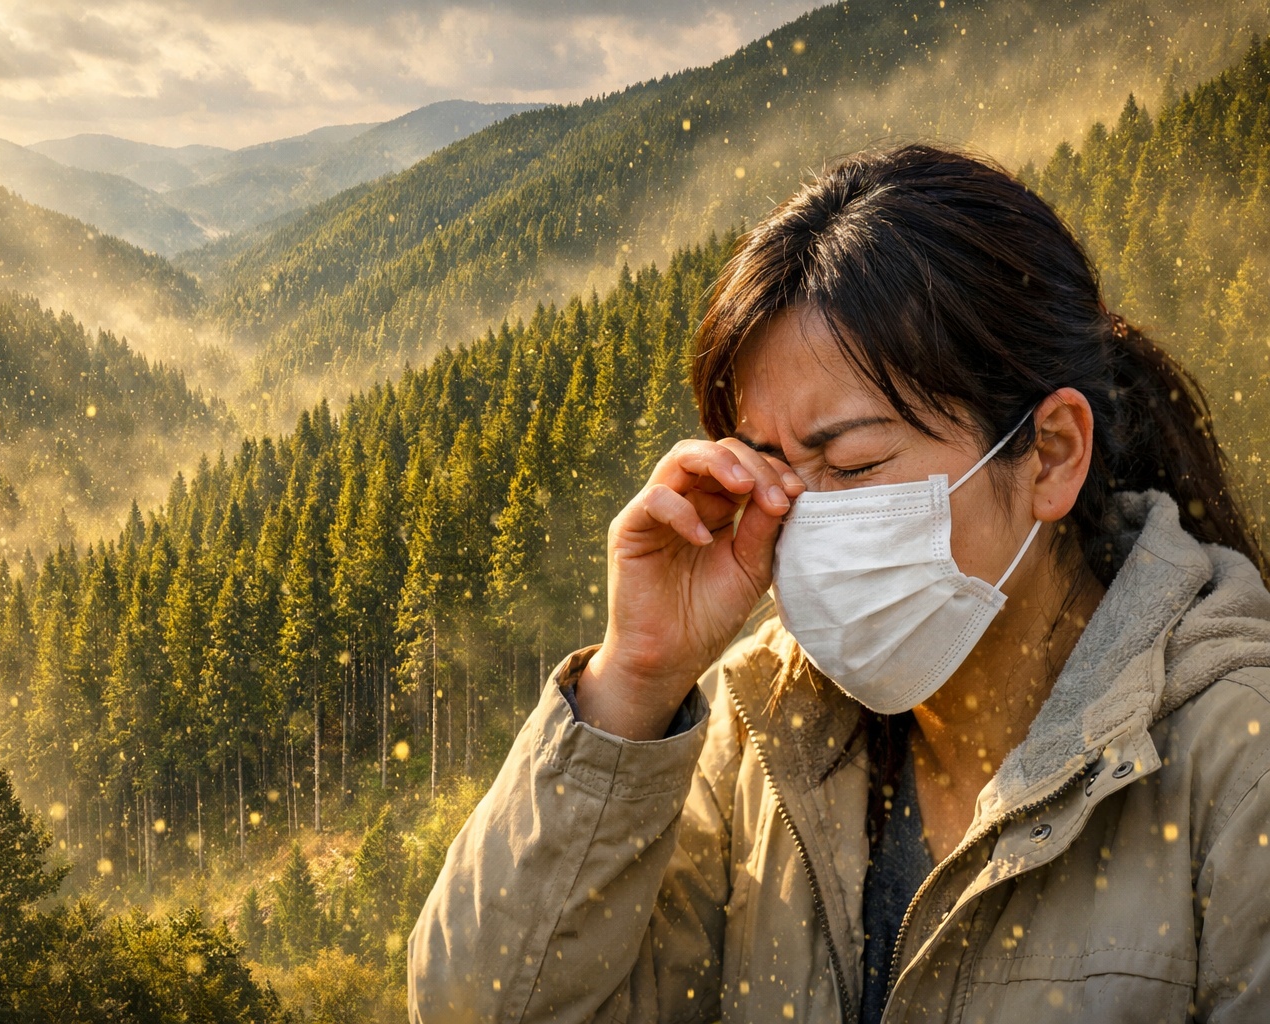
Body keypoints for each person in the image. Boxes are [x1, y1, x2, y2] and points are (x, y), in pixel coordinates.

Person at [407, 145, 1270, 1023]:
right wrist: (634, 680)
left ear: (1050, 454)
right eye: (766, 466)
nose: (801, 518)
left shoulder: (1239, 767)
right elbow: (479, 1009)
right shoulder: (764, 728)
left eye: (852, 465)